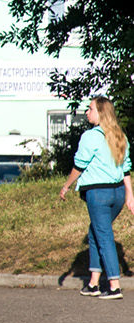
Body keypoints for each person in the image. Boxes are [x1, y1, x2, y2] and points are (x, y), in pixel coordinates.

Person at [59, 96, 134, 299]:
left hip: (98, 193)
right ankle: (93, 283)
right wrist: (130, 194)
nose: (86, 112)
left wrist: (66, 186)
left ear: (100, 112)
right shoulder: (119, 136)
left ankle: (114, 285)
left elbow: (79, 165)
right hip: (117, 192)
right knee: (95, 232)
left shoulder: (91, 136)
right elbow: (126, 167)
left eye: (89, 108)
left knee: (104, 236)